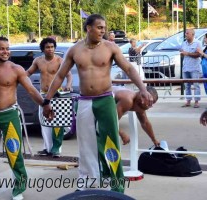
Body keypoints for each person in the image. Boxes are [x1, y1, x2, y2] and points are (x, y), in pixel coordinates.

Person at [42, 14, 153, 193]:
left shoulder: (111, 48)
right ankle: (87, 180)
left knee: (110, 141)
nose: (103, 31)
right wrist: (47, 100)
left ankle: (115, 183)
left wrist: (143, 88)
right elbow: (60, 76)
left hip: (105, 99)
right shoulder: (75, 50)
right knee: (85, 143)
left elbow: (129, 68)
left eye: (104, 27)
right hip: (85, 101)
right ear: (88, 28)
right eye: (100, 27)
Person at [0, 36, 45, 200]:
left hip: (10, 114)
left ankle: (18, 188)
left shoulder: (16, 69)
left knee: (14, 153)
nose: (6, 51)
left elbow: (31, 90)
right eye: (1, 48)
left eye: (7, 48)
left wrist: (45, 104)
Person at [26, 38, 72, 158]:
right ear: (43, 49)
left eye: (52, 47)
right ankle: (47, 148)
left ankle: (56, 149)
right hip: (42, 95)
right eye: (47, 47)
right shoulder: (38, 61)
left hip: (57, 96)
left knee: (58, 123)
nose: (50, 49)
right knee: (45, 123)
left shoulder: (59, 60)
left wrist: (68, 85)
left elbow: (68, 75)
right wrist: (18, 78)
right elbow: (28, 73)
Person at [180, 29, 202, 108]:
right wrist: (182, 53)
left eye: (187, 33)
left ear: (192, 34)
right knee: (187, 85)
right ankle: (188, 101)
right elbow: (182, 54)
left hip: (194, 67)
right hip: (186, 67)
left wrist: (187, 53)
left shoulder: (197, 43)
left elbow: (199, 54)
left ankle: (196, 101)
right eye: (186, 33)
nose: (186, 35)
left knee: (196, 85)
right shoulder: (184, 43)